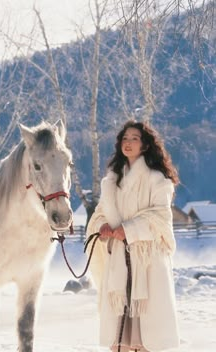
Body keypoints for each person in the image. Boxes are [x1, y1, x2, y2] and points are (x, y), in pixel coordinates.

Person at [86, 120, 180, 352]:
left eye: (134, 138)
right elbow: (99, 214)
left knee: (148, 331)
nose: (127, 143)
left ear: (146, 145)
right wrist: (104, 226)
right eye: (125, 139)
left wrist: (128, 230)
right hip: (119, 260)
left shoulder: (157, 179)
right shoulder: (111, 182)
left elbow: (160, 217)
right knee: (120, 336)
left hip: (147, 262)